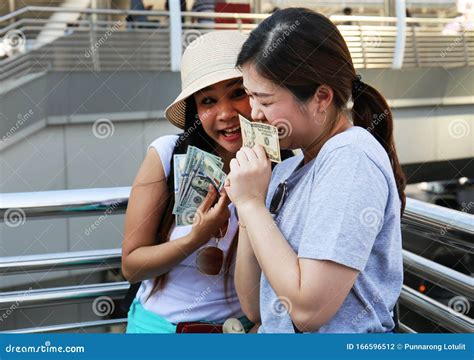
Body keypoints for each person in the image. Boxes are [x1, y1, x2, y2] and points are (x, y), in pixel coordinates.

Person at [226, 8, 406, 333]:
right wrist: (248, 204)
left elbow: (308, 312)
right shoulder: (286, 169)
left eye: (265, 101)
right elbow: (254, 305)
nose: (254, 114)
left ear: (321, 97)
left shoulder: (351, 158)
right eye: (250, 96)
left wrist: (252, 203)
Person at [121, 30, 290, 333]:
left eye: (237, 92)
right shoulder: (166, 154)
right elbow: (131, 267)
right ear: (196, 112)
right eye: (208, 101)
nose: (225, 113)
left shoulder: (286, 165)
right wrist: (195, 237)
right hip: (159, 331)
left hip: (244, 331)